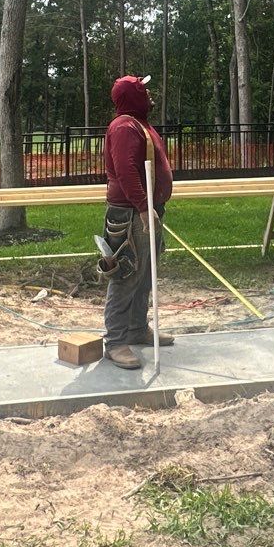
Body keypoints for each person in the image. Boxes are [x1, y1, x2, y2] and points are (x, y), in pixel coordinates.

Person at [98, 74, 174, 369]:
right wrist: (143, 207)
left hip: (146, 209)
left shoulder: (139, 123)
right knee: (126, 275)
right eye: (144, 89)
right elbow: (126, 170)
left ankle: (136, 329)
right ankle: (116, 341)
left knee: (145, 276)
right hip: (130, 214)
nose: (150, 92)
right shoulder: (123, 126)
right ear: (133, 95)